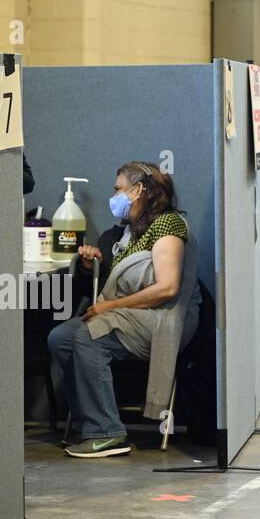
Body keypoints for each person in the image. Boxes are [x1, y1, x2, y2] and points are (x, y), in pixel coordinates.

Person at [47, 161, 200, 458]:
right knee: (61, 337)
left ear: (138, 190)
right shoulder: (130, 231)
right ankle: (87, 419)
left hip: (165, 318)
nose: (113, 195)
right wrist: (93, 264)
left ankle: (107, 433)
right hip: (132, 314)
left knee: (88, 337)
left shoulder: (169, 225)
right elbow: (123, 278)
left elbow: (167, 288)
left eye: (118, 188)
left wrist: (110, 306)